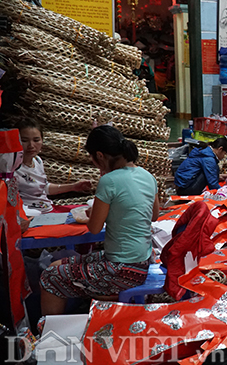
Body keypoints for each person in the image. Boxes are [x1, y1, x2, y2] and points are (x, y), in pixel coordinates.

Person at [40, 125, 159, 315]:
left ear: (100, 156)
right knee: (57, 265)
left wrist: (92, 213)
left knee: (50, 277)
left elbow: (94, 228)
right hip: (142, 262)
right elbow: (154, 216)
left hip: (121, 270)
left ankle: (51, 334)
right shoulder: (148, 176)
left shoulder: (109, 180)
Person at [15, 118, 92, 214]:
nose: (31, 145)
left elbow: (45, 188)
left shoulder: (37, 161)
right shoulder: (11, 168)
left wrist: (73, 186)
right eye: (24, 140)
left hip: (48, 209)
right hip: (30, 215)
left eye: (36, 140)